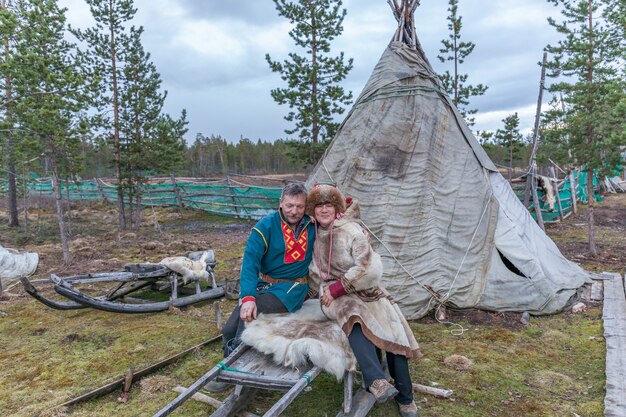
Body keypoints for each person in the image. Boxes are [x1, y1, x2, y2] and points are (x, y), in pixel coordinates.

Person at [307, 184, 421, 417]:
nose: (324, 210)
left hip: (364, 289)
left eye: (329, 205)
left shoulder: (351, 231)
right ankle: (376, 380)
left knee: (393, 331)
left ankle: (405, 396)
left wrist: (343, 285)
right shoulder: (311, 233)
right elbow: (311, 272)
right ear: (313, 210)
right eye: (319, 205)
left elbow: (370, 268)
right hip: (333, 296)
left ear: (337, 208)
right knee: (354, 315)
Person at [206, 182, 315, 392]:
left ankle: (234, 372)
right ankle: (232, 363)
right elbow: (250, 265)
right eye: (290, 205)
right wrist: (247, 297)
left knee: (252, 315)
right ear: (281, 203)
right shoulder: (264, 227)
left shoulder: (313, 226)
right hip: (264, 285)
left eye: (300, 207)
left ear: (305, 206)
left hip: (292, 289)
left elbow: (335, 222)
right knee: (229, 328)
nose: (295, 211)